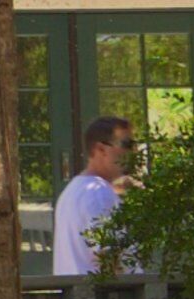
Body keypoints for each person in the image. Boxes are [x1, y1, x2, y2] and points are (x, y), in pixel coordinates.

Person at [53, 116, 134, 279]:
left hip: (77, 297)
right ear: (101, 149)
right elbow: (109, 257)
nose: (133, 151)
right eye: (127, 145)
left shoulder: (74, 190)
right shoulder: (98, 193)